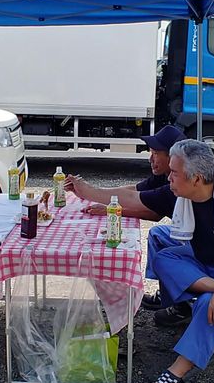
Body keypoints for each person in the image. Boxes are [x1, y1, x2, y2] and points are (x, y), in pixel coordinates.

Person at [69, 139, 214, 383]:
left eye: (174, 172)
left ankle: (173, 376)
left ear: (197, 179)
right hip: (209, 267)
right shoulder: (180, 193)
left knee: (209, 304)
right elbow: (133, 198)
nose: (168, 178)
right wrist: (87, 191)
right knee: (164, 257)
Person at [64, 124, 188, 319]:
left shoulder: (176, 182)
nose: (150, 159)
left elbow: (148, 209)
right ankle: (168, 296)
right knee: (157, 234)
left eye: (156, 153)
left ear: (173, 158)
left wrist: (93, 195)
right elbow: (135, 192)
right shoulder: (165, 175)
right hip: (190, 232)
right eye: (151, 152)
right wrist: (99, 195)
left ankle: (181, 307)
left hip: (201, 242)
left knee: (165, 257)